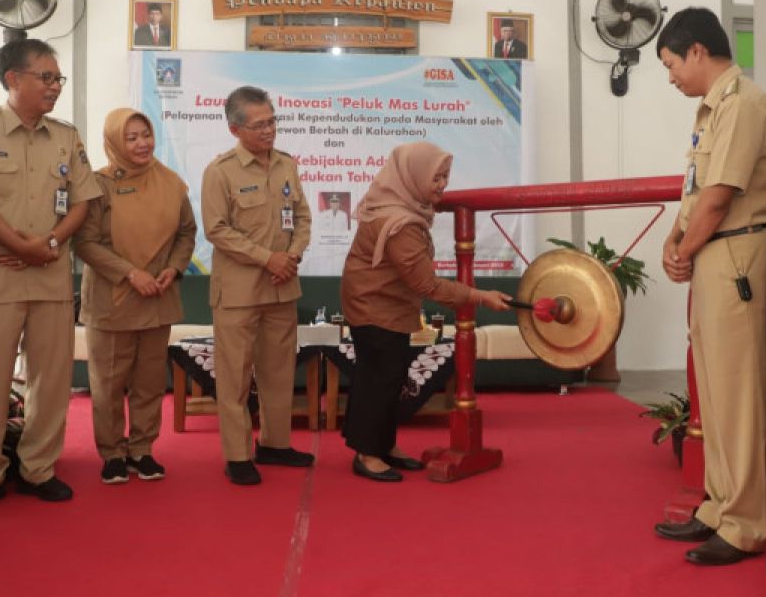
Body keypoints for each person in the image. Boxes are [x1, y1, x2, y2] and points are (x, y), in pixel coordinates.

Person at [0, 38, 100, 515]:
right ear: (13, 79)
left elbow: (83, 201)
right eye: (45, 77)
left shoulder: (66, 136)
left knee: (51, 384)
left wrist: (47, 245)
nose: (54, 87)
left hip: (49, 278)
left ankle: (38, 470)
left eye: (57, 79)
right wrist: (20, 245)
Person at [652, 8, 766, 565]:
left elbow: (720, 195)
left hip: (737, 254)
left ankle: (745, 523)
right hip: (714, 255)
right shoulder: (712, 110)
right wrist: (674, 240)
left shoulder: (743, 104)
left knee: (741, 396)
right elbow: (694, 193)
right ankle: (720, 507)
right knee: (716, 393)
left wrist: (684, 249)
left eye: (671, 64)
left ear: (699, 52)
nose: (671, 76)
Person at [340, 142, 511, 482]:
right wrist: (479, 296)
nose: (442, 185)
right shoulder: (400, 224)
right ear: (413, 175)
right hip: (375, 307)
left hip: (384, 305)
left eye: (445, 177)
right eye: (436, 178)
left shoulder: (397, 204)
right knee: (379, 381)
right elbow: (426, 285)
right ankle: (368, 454)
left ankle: (384, 445)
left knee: (390, 379)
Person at [74, 108, 196, 484]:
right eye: (131, 137)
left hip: (158, 296)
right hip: (113, 298)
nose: (142, 143)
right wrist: (130, 273)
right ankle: (112, 453)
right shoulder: (98, 185)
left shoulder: (172, 183)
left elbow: (186, 233)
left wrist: (173, 268)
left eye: (146, 134)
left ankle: (142, 450)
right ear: (114, 141)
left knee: (148, 383)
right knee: (109, 384)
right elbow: (84, 242)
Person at [201, 86, 314, 486]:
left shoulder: (286, 165)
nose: (269, 130)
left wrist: (293, 257)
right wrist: (269, 259)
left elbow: (302, 217)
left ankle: (275, 444)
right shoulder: (221, 171)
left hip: (283, 288)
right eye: (259, 124)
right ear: (235, 129)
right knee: (234, 378)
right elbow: (216, 230)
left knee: (279, 373)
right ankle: (237, 454)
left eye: (272, 121)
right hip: (238, 293)